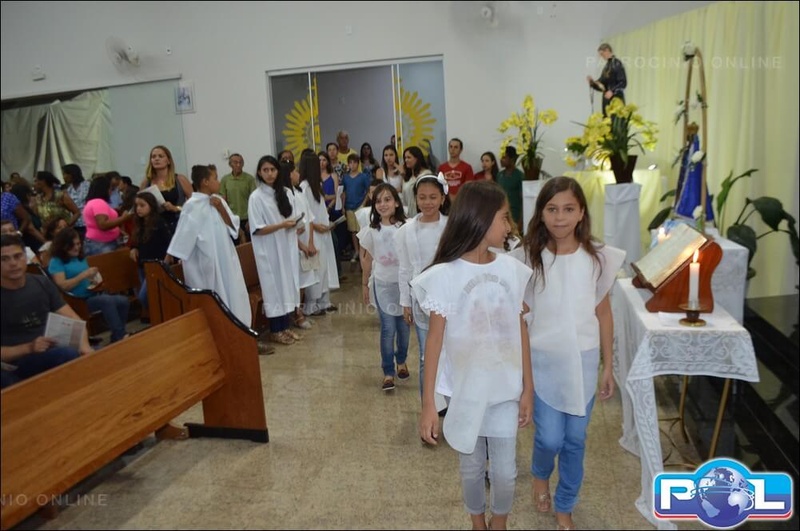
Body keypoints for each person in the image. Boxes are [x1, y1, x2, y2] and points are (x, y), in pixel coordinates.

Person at [412, 180, 533, 531]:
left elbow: (520, 331)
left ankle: (500, 522)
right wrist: (428, 404)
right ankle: (478, 522)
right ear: (480, 219)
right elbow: (434, 343)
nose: (509, 226)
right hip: (464, 391)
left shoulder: (511, 270)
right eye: (504, 217)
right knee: (471, 469)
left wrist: (528, 388)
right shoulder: (445, 276)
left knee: (506, 473)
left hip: (504, 391)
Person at [511, 176, 624, 531]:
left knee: (575, 439)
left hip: (584, 361)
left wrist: (608, 365)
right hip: (543, 361)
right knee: (549, 438)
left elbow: (603, 313)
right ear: (541, 213)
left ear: (581, 213)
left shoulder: (597, 258)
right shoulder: (528, 258)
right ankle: (540, 474)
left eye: (568, 209)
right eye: (552, 209)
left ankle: (565, 505)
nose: (560, 217)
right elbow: (519, 315)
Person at [1, 233, 91, 389]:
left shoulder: (41, 282)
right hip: (16, 361)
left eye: (17, 256)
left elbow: (74, 319)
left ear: (25, 257)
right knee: (67, 355)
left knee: (105, 355)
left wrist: (85, 348)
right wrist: (29, 347)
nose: (13, 263)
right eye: (4, 259)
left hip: (52, 348)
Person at [166, 165, 251, 328]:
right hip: (206, 263)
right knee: (215, 294)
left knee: (233, 293)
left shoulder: (219, 201)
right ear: (205, 182)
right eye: (215, 178)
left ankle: (238, 328)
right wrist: (170, 256)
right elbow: (182, 237)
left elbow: (234, 229)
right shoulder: (192, 205)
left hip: (225, 257)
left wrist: (220, 208)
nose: (218, 182)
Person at [395, 172, 450, 396]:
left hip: (448, 298)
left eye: (433, 197)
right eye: (422, 197)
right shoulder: (406, 230)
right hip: (420, 299)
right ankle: (428, 404)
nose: (427, 202)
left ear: (442, 198)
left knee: (449, 352)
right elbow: (404, 268)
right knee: (427, 355)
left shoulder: (451, 227)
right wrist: (405, 302)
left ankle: (448, 403)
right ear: (415, 199)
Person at [357, 182, 408, 391]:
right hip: (382, 284)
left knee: (403, 328)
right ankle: (388, 371)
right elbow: (367, 259)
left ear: (396, 202)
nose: (383, 204)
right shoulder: (371, 230)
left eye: (387, 199)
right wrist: (365, 284)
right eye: (378, 201)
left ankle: (401, 360)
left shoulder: (405, 227)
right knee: (388, 329)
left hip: (403, 286)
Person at [249, 155, 303, 345]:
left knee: (286, 287)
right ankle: (275, 330)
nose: (270, 174)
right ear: (259, 172)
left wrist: (294, 224)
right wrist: (281, 225)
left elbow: (294, 217)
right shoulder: (256, 197)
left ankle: (285, 326)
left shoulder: (285, 192)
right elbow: (257, 228)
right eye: (265, 170)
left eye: (272, 170)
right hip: (268, 250)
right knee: (274, 289)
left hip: (285, 246)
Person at [48, 228, 131, 343]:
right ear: (64, 246)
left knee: (123, 301)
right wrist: (83, 275)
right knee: (106, 301)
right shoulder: (56, 261)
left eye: (78, 244)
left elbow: (86, 278)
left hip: (90, 294)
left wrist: (95, 281)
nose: (77, 247)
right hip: (75, 301)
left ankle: (117, 334)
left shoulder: (79, 258)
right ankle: (120, 335)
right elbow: (63, 286)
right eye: (73, 245)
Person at [299, 152, 339, 316]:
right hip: (313, 234)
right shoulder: (304, 187)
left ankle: (324, 302)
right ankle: (311, 305)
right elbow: (304, 214)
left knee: (324, 268)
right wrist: (316, 226)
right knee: (315, 269)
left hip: (323, 232)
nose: (321, 166)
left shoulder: (316, 185)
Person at [129, 191, 172, 310]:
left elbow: (169, 242)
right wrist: (133, 248)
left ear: (151, 206)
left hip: (156, 264)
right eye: (136, 206)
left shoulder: (159, 222)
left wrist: (167, 260)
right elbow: (135, 242)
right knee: (151, 297)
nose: (138, 209)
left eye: (142, 205)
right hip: (142, 264)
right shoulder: (139, 223)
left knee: (144, 297)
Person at [140, 145, 193, 235]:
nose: (156, 159)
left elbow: (194, 205)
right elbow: (140, 205)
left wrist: (175, 208)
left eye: (160, 156)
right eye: (153, 157)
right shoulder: (146, 182)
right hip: (154, 227)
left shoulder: (180, 179)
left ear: (168, 161)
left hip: (177, 225)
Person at [82, 175, 132, 256]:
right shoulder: (98, 203)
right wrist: (123, 218)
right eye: (110, 189)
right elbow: (103, 225)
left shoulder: (92, 202)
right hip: (102, 245)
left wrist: (118, 230)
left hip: (100, 243)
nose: (111, 192)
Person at [219, 153, 257, 244]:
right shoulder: (225, 180)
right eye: (235, 162)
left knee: (249, 246)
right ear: (230, 164)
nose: (238, 165)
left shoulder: (249, 179)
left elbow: (254, 201)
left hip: (247, 219)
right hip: (232, 219)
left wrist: (251, 219)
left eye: (241, 162)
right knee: (235, 246)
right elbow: (223, 201)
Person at [587, 43, 627, 116]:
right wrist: (592, 83)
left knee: (616, 120)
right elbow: (602, 85)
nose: (601, 56)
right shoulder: (606, 67)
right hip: (607, 100)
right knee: (606, 121)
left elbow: (623, 82)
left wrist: (612, 91)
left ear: (607, 50)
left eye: (602, 54)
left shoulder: (617, 63)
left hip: (616, 99)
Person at [497, 146, 524, 231]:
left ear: (512, 159)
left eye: (504, 157)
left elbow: (523, 200)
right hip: (502, 215)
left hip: (515, 215)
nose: (501, 160)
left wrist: (521, 221)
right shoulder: (499, 175)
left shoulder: (520, 176)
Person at [61, 164, 91, 240]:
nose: (63, 177)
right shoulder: (68, 190)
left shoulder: (88, 186)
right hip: (75, 224)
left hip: (87, 223)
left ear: (72, 174)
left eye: (65, 174)